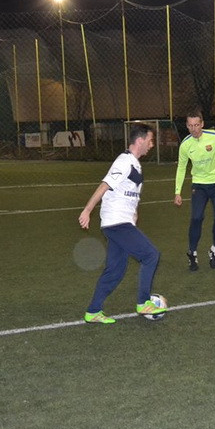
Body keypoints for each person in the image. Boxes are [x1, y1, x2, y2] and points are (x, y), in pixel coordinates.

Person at [78, 123, 166, 324]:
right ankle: (143, 303)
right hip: (116, 222)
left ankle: (93, 311)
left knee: (115, 270)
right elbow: (105, 185)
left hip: (120, 222)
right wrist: (88, 210)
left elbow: (130, 194)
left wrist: (134, 214)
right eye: (150, 140)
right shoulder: (124, 161)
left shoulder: (135, 164)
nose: (152, 145)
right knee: (151, 255)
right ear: (140, 140)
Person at [174, 107, 215, 271]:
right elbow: (181, 168)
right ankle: (192, 252)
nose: (193, 129)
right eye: (190, 125)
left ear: (202, 124)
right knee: (196, 218)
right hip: (199, 185)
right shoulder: (185, 145)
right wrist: (177, 192)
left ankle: (214, 250)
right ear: (186, 126)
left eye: (196, 125)